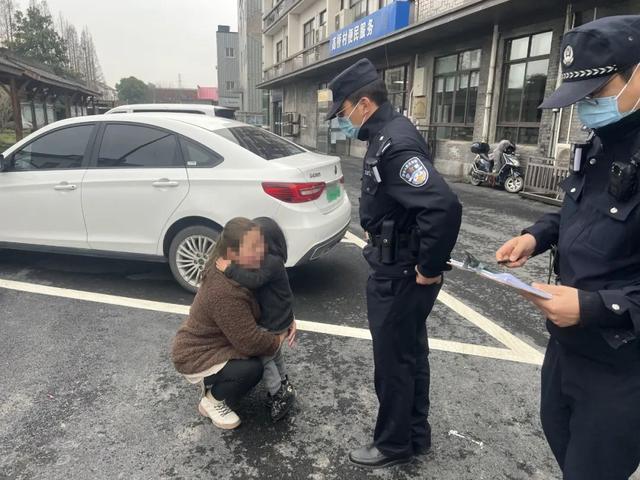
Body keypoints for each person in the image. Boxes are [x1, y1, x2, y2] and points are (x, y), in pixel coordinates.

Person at [496, 15, 640, 480]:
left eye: (598, 93)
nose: (587, 108)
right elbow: (577, 211)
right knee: (559, 437)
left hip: (622, 365)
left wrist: (598, 307)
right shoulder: (602, 143)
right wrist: (536, 235)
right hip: (567, 346)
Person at [326, 59, 462, 469]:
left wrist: (428, 266)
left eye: (344, 111)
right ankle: (414, 436)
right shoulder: (388, 134)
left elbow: (443, 206)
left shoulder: (393, 144)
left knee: (393, 363)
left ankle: (392, 444)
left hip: (400, 272)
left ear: (363, 103)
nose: (343, 120)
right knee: (410, 355)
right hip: (400, 266)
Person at [171, 217, 289, 430]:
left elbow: (275, 296)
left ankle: (216, 382)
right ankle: (212, 401)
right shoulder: (224, 292)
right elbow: (250, 342)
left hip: (224, 339)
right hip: (197, 353)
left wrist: (289, 320)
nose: (261, 250)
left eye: (260, 242)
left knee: (259, 354)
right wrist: (278, 340)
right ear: (232, 253)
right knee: (252, 367)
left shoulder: (244, 267)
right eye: (253, 247)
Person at [216, 217, 297, 423]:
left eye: (257, 242)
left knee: (266, 355)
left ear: (267, 242)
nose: (255, 247)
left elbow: (255, 280)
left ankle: (277, 392)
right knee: (276, 353)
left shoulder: (271, 262)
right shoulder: (273, 259)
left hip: (274, 319)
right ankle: (284, 382)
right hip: (281, 314)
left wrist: (229, 269)